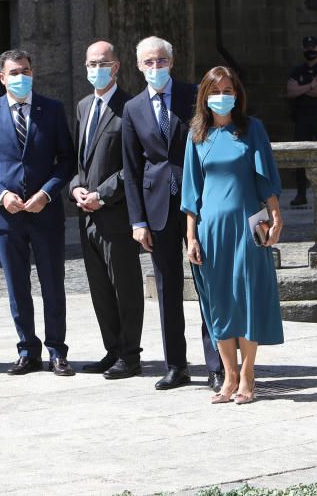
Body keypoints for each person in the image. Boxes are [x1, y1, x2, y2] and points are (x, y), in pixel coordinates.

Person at [122, 36, 223, 391]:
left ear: (171, 62)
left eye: (160, 61)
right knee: (167, 288)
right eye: (148, 62)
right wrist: (137, 220)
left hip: (198, 204)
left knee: (207, 283)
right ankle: (176, 365)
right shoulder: (133, 108)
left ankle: (216, 364)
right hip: (157, 208)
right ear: (138, 66)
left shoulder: (194, 96)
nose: (155, 68)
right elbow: (131, 169)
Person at [0, 49, 75, 376]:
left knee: (52, 284)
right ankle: (27, 349)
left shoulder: (52, 110)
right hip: (7, 217)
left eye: (25, 70)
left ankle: (57, 351)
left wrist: (47, 193)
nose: (20, 77)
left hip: (45, 213)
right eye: (13, 72)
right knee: (17, 286)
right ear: (1, 77)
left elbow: (67, 160)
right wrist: (0, 196)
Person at [182, 66, 284, 405]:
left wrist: (276, 216)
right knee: (219, 302)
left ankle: (249, 374)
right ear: (204, 96)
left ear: (237, 94)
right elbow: (190, 192)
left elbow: (265, 177)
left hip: (246, 227)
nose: (222, 96)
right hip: (210, 231)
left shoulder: (251, 129)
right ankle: (228, 375)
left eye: (228, 90)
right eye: (216, 90)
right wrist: (191, 237)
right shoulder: (196, 134)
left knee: (247, 297)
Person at [69, 41, 145, 379]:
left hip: (116, 214)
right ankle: (112, 348)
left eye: (101, 63)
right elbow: (78, 160)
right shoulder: (84, 106)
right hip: (87, 215)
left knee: (125, 287)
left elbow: (137, 164)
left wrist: (103, 193)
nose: (94, 69)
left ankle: (130, 353)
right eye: (89, 63)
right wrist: (76, 188)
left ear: (115, 67)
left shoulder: (131, 107)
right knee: (99, 287)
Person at [286, 36, 317, 207]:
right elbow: (290, 92)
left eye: (313, 46)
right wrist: (311, 86)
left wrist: (302, 89)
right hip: (301, 118)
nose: (310, 50)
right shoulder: (297, 70)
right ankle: (301, 194)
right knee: (300, 155)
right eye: (307, 47)